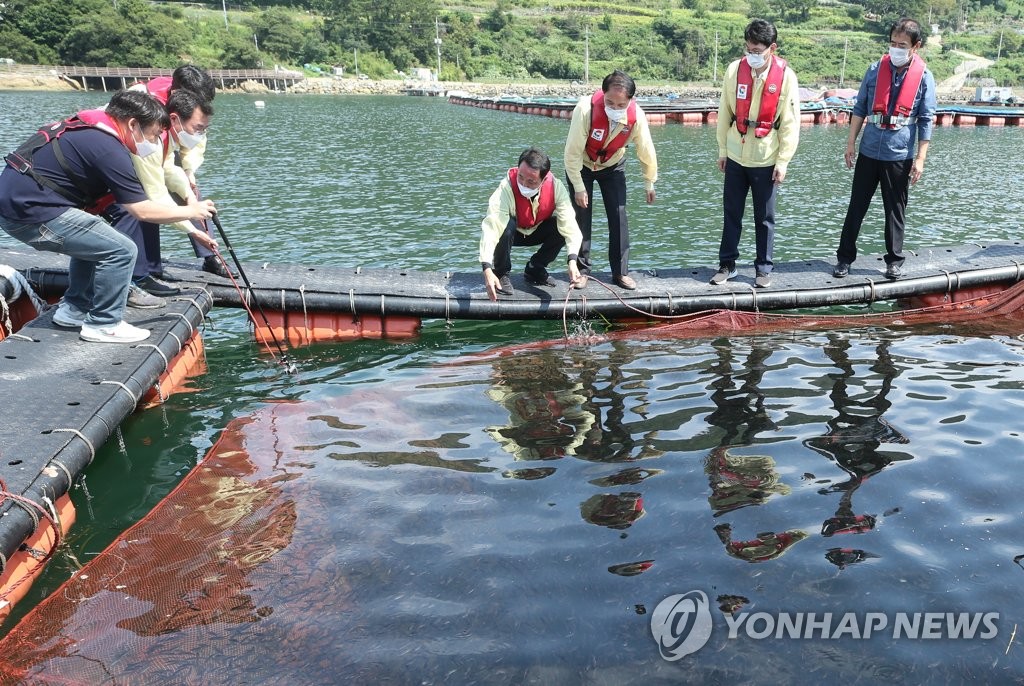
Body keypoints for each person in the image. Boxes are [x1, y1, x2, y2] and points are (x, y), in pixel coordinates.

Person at [0, 89, 218, 343]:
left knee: (97, 240)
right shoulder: (108, 148)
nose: (156, 142)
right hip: (28, 213)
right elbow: (142, 210)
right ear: (133, 124)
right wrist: (192, 211)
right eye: (154, 135)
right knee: (122, 249)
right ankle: (103, 323)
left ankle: (74, 309)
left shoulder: (97, 134)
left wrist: (191, 220)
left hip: (21, 204)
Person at [833, 17, 936, 281]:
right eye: (893, 43)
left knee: (895, 209)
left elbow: (926, 119)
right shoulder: (875, 69)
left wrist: (921, 158)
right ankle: (844, 259)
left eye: (902, 45)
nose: (896, 49)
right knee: (856, 206)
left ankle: (894, 261)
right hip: (869, 150)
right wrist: (850, 143)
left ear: (916, 46)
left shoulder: (924, 77)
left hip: (899, 154)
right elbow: (860, 108)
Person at [105, 87, 218, 302]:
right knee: (135, 210)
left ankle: (149, 270)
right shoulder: (151, 140)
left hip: (123, 180)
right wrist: (193, 230)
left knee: (154, 205)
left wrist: (188, 195)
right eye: (198, 128)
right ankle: (135, 280)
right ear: (175, 120)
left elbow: (168, 168)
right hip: (101, 188)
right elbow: (155, 193)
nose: (200, 134)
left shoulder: (166, 135)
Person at [711, 19, 800, 289]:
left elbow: (790, 123)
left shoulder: (786, 76)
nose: (751, 54)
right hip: (736, 154)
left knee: (765, 217)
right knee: (732, 213)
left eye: (757, 49)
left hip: (766, 157)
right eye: (748, 48)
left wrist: (783, 161)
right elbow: (725, 112)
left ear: (771, 48)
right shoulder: (734, 70)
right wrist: (723, 150)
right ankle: (727, 265)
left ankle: (763, 268)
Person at [563, 70, 657, 290]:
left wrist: (649, 181)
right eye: (609, 102)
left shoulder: (637, 117)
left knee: (619, 216)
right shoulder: (585, 109)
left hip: (613, 165)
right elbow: (572, 153)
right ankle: (582, 270)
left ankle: (620, 272)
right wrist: (578, 186)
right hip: (583, 165)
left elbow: (646, 150)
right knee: (581, 217)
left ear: (630, 100)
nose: (614, 108)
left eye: (620, 104)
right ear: (602, 94)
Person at [480, 147, 583, 301]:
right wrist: (487, 268)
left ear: (543, 179)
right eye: (520, 177)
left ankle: (535, 268)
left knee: (560, 227)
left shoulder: (556, 187)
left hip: (535, 230)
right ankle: (500, 273)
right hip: (512, 234)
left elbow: (570, 225)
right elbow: (492, 227)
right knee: (505, 226)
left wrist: (572, 261)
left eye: (531, 181)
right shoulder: (505, 188)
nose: (523, 184)